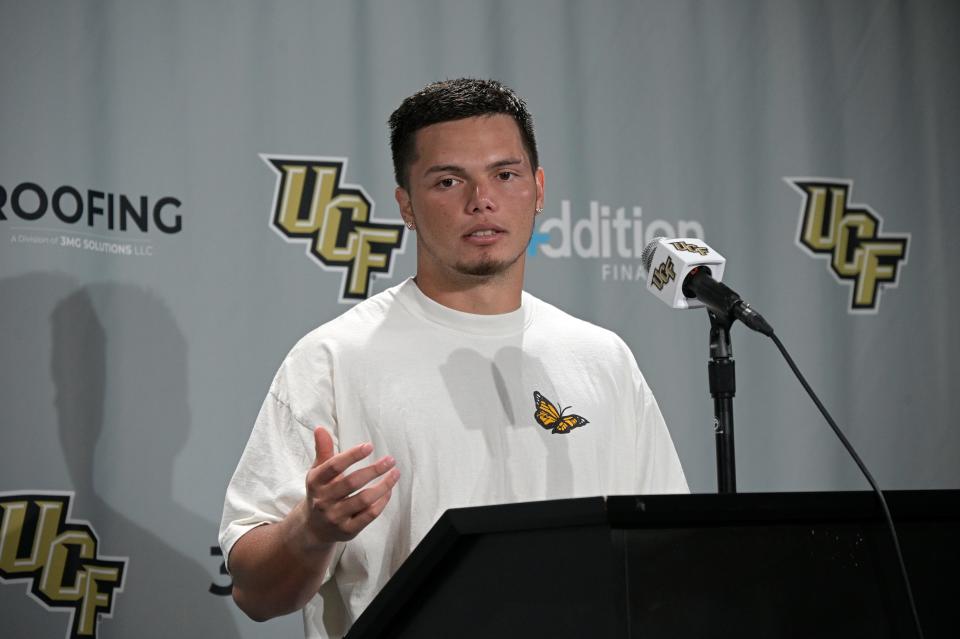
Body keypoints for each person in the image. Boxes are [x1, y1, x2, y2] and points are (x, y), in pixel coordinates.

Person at [219, 78, 688, 638]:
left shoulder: (603, 359)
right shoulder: (333, 359)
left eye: (505, 175)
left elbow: (668, 562)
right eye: (448, 181)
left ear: (538, 189)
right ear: (406, 205)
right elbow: (253, 593)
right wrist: (311, 531)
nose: (481, 200)